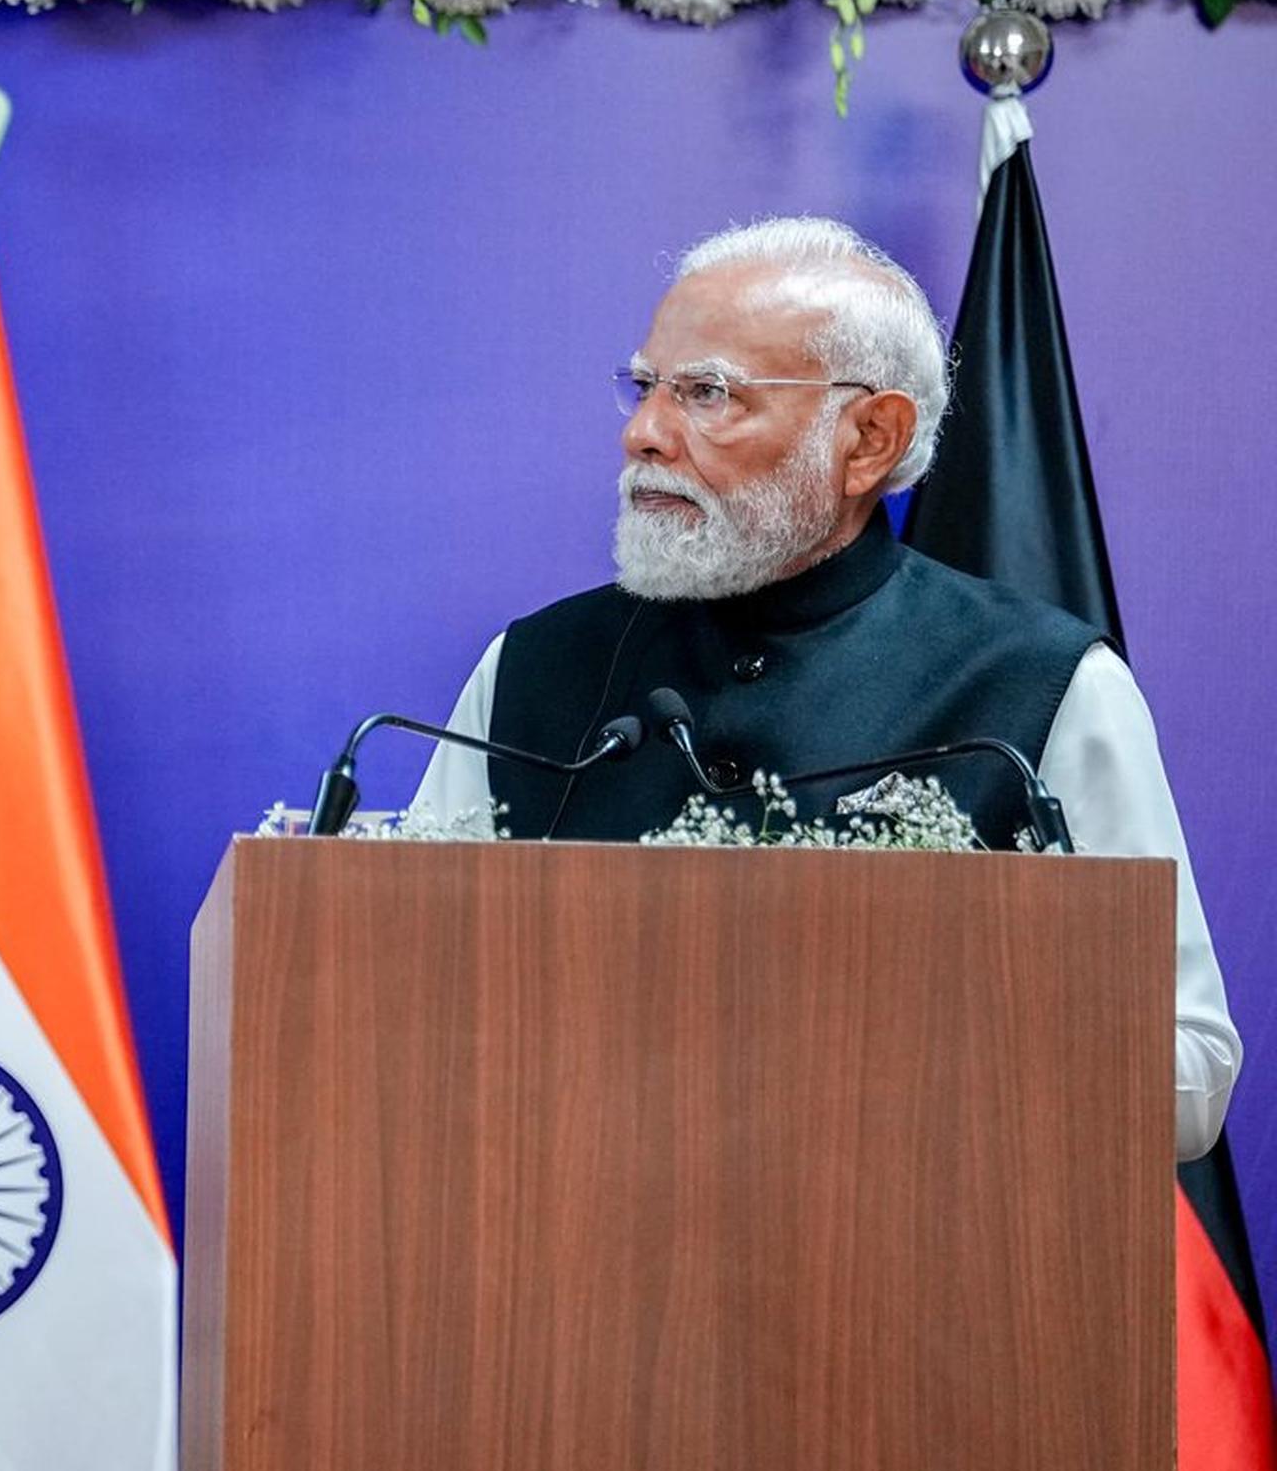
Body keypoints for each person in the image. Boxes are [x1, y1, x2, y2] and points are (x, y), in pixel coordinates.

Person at [413, 214, 1238, 1158]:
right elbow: (410, 996)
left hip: (913, 1273)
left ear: (869, 439)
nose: (644, 433)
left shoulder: (1043, 685)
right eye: (645, 388)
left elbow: (1191, 1069)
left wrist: (894, 1041)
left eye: (707, 393)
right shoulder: (530, 666)